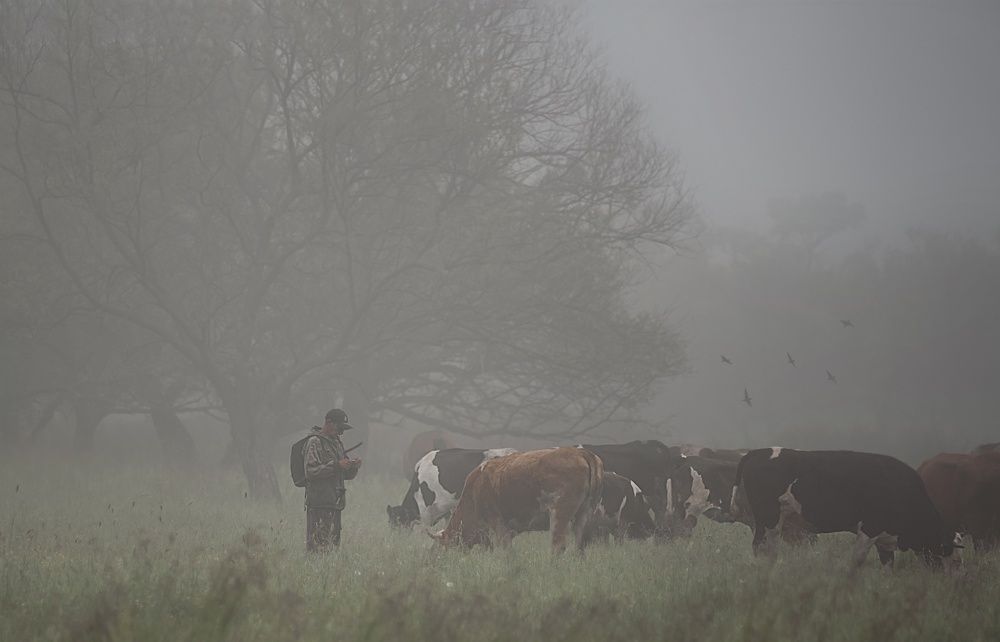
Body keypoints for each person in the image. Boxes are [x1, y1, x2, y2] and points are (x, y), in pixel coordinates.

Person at [303, 408, 362, 551]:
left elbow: (344, 475)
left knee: (333, 547)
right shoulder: (314, 442)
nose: (341, 432)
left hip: (335, 504)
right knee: (317, 548)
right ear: (328, 422)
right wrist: (336, 465)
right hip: (319, 504)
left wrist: (352, 467)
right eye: (339, 427)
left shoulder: (336, 443)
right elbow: (310, 472)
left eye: (343, 429)